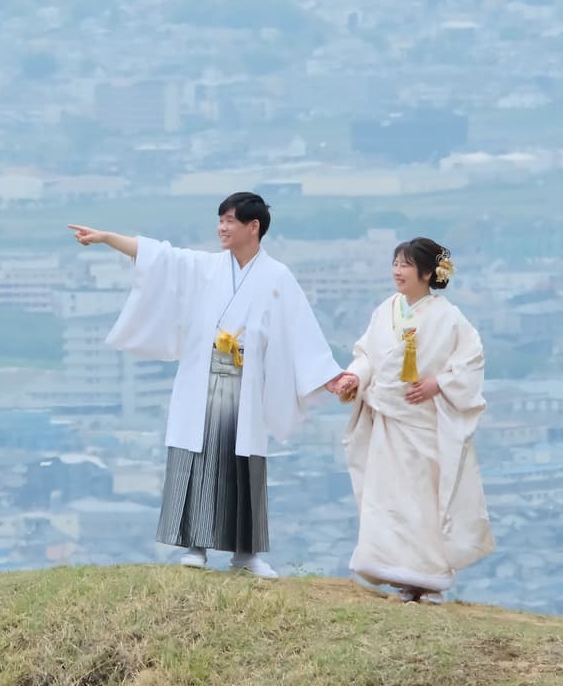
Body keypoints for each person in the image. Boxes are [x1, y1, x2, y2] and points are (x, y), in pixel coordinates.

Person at [69, 192, 346, 578]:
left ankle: (244, 553)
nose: (222, 227)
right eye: (220, 220)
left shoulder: (277, 276)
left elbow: (301, 332)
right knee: (197, 454)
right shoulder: (205, 267)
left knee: (242, 461)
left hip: (245, 381)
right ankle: (193, 544)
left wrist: (330, 377)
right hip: (204, 373)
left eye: (230, 221)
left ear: (254, 227)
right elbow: (158, 257)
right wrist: (106, 238)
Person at [331, 238, 494, 603]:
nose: (397, 271)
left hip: (422, 422)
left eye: (405, 264)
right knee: (388, 498)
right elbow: (368, 355)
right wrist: (354, 377)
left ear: (426, 272)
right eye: (395, 263)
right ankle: (399, 573)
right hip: (387, 418)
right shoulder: (386, 309)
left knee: (422, 500)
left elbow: (471, 360)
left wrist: (440, 383)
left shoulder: (449, 317)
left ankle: (429, 577)